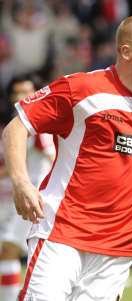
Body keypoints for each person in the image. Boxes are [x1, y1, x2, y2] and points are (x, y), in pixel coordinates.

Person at [1, 15, 132, 300]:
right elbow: (16, 128)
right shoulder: (81, 89)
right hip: (63, 234)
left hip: (115, 249)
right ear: (126, 51)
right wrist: (21, 182)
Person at [0, 75, 55, 301]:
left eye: (27, 91)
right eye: (17, 92)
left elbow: (51, 155)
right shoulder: (23, 124)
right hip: (28, 197)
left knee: (9, 253)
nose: (22, 97)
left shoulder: (37, 126)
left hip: (35, 198)